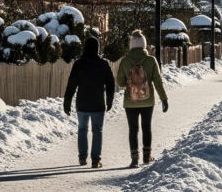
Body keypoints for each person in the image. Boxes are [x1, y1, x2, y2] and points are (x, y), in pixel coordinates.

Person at [115, 29, 168, 168]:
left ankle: (134, 158)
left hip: (130, 101)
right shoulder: (151, 60)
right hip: (147, 100)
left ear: (131, 45)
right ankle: (146, 156)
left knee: (133, 129)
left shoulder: (125, 61)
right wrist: (164, 99)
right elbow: (158, 81)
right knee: (146, 127)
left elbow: (120, 82)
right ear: (144, 44)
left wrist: (129, 81)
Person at [63, 36, 115, 169]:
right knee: (97, 131)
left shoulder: (79, 63)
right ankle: (95, 160)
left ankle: (82, 157)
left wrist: (67, 102)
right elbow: (110, 83)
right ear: (97, 48)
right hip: (98, 103)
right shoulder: (103, 64)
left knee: (82, 129)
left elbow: (71, 84)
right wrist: (109, 100)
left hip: (82, 103)